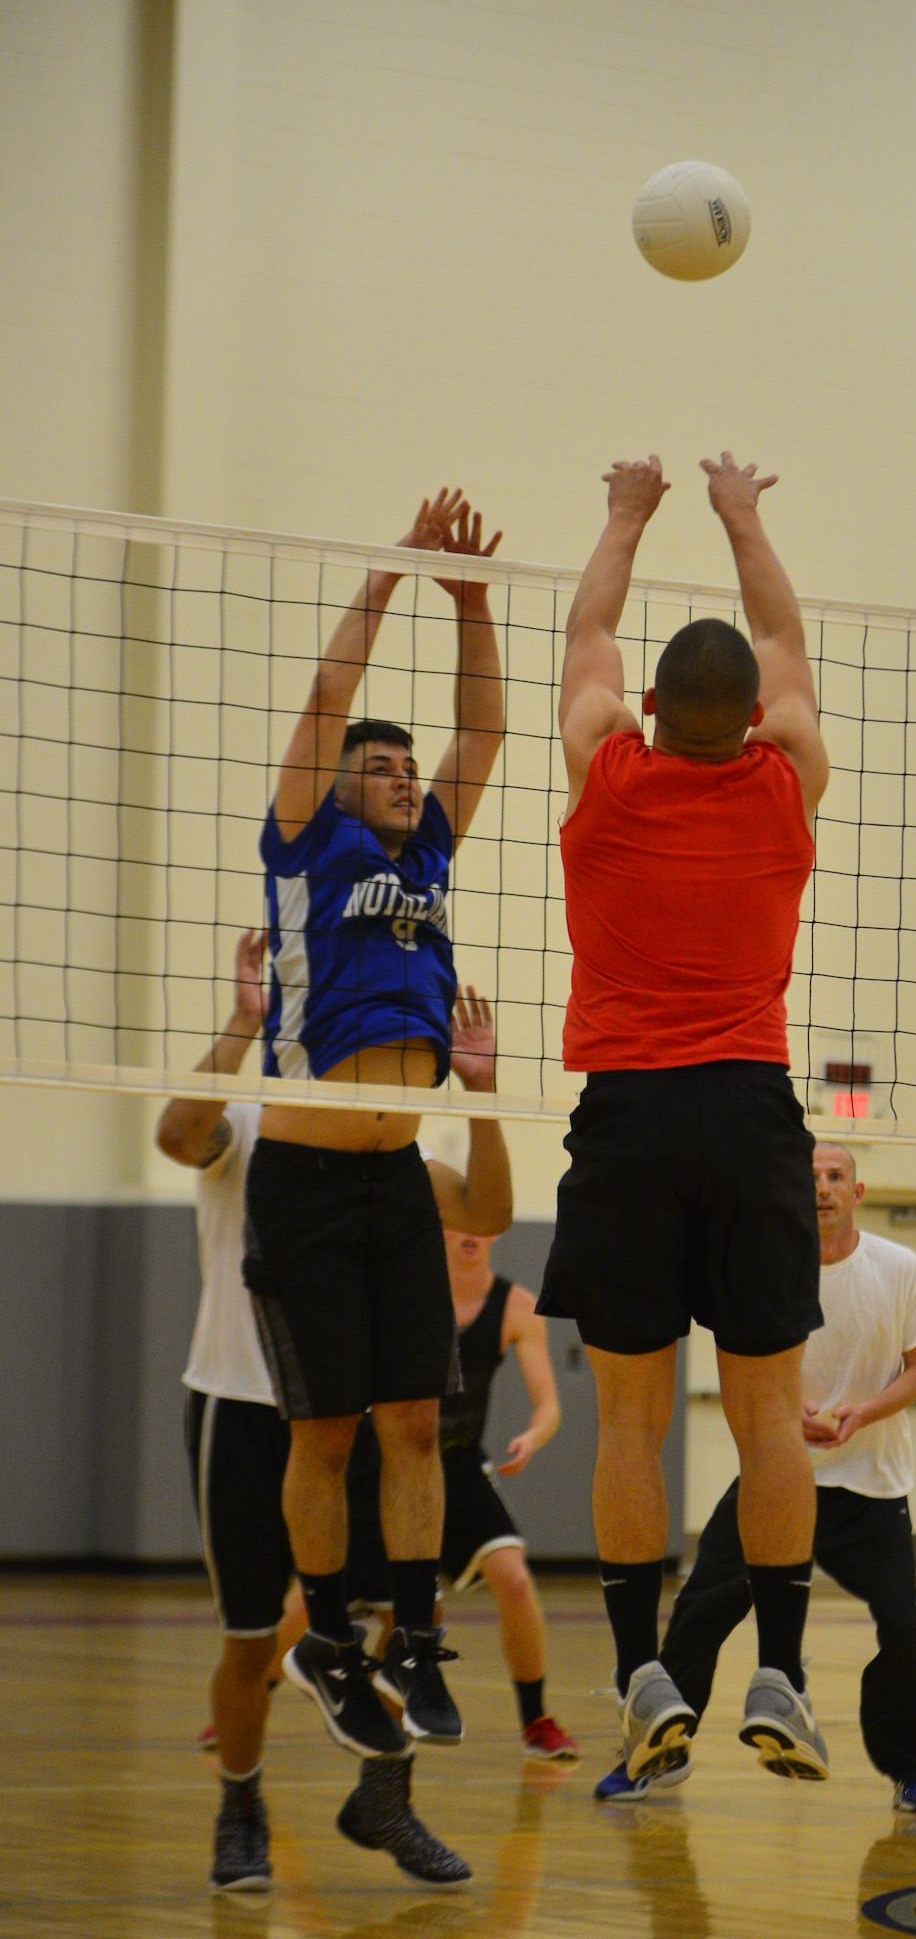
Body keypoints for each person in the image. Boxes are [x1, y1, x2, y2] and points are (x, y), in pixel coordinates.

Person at [538, 451, 831, 1785]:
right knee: (767, 1416)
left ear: (649, 709)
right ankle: (781, 1674)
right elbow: (781, 641)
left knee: (628, 1421)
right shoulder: (783, 782)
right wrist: (740, 513)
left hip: (629, 1120)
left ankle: (636, 1674)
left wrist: (625, 514)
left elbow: (587, 632)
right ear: (754, 718)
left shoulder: (607, 773)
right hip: (750, 1111)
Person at [157, 934, 512, 1890]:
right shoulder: (247, 1117)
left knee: (399, 1620)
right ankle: (240, 1806)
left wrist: (482, 1095)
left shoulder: (384, 1140)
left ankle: (384, 1799)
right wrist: (242, 1023)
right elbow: (177, 1138)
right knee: (248, 1642)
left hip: (359, 1420)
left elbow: (484, 1211)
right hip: (243, 1406)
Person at [243, 483, 503, 1774]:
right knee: (326, 1431)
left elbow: (484, 726)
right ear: (340, 788)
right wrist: (391, 574)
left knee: (414, 1423)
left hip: (397, 1174)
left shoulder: (431, 851)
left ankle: (413, 1637)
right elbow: (325, 696)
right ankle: (331, 1643)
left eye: (408, 768)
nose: (404, 778)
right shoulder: (308, 843)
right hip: (300, 1174)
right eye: (381, 767)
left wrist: (473, 605)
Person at [596, 1142, 916, 1812]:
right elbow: (744, 1368)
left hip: (870, 1484)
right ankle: (657, 1754)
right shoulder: (764, 1264)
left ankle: (913, 1770)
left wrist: (863, 1412)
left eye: (835, 1177)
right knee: (699, 1612)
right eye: (810, 1176)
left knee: (903, 1628)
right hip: (776, 1477)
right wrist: (788, 1415)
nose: (822, 1187)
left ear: (857, 1192)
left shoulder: (899, 1267)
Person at [345, 1225, 580, 1761]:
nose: (470, 1234)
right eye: (457, 1221)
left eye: (481, 1223)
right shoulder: (403, 1293)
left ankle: (536, 1720)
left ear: (496, 1231)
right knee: (317, 1609)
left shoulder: (517, 1306)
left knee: (514, 1579)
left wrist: (533, 1436)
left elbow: (549, 1405)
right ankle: (248, 1696)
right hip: (393, 1469)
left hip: (459, 1465)